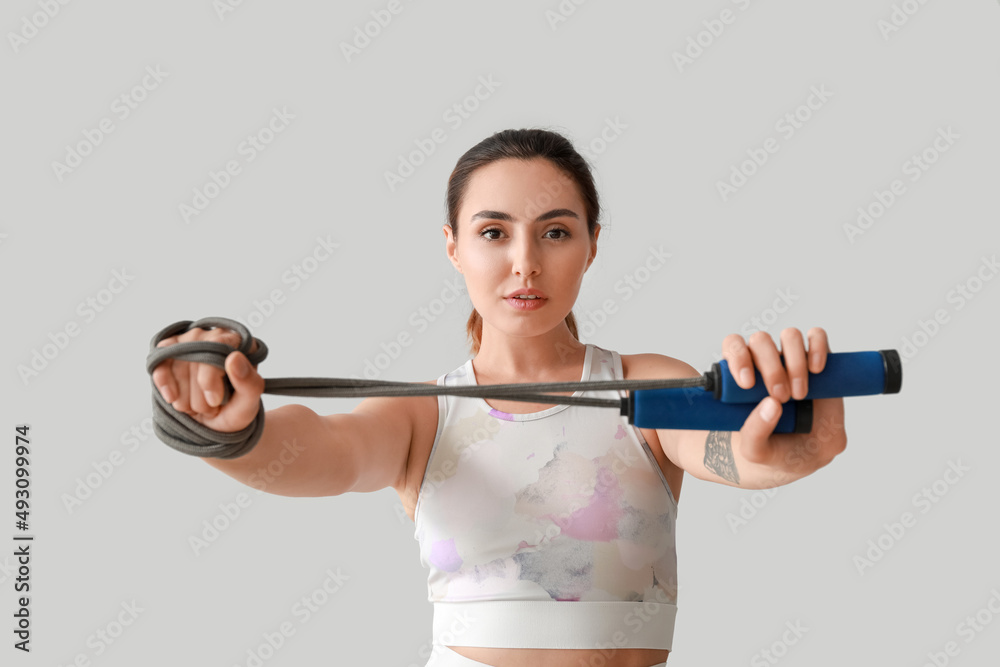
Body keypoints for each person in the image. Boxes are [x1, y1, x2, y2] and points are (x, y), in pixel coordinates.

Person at [151, 128, 847, 667]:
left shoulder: (648, 383)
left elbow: (737, 455)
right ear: (453, 247)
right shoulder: (421, 413)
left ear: (592, 245)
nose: (525, 262)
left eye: (555, 231)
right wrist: (230, 427)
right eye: (493, 232)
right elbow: (322, 451)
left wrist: (797, 443)